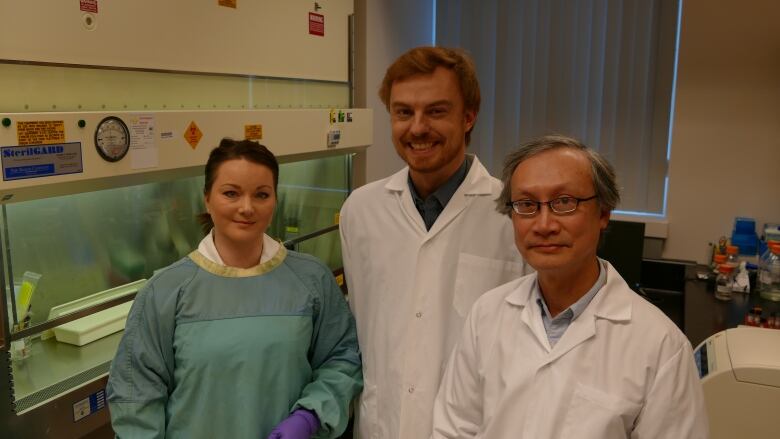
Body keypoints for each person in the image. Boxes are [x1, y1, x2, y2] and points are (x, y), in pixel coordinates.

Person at [431, 134, 709, 438]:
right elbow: (454, 429)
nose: (544, 224)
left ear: (604, 213)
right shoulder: (486, 314)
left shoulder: (661, 346)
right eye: (526, 204)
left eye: (564, 202)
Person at [107, 139, 363, 439]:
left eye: (261, 195)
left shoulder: (311, 280)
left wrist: (309, 416)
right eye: (231, 193)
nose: (247, 207)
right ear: (207, 199)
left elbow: (343, 358)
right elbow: (135, 395)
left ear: (275, 201)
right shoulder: (165, 292)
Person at [339, 46, 528, 439]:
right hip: (381, 426)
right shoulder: (361, 210)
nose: (418, 127)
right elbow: (362, 328)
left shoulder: (512, 216)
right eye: (403, 112)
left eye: (436, 111)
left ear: (468, 117)